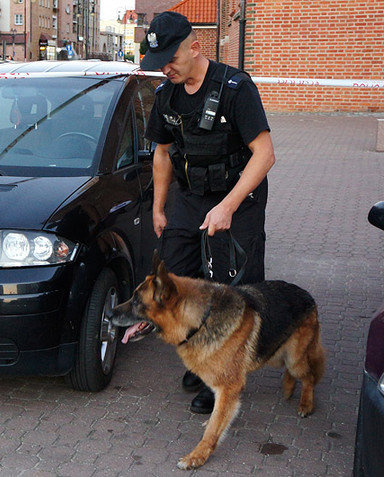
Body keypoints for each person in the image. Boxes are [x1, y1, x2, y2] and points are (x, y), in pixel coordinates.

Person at [141, 12, 276, 414]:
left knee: (233, 291)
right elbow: (162, 153)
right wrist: (159, 206)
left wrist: (228, 206)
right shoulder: (166, 95)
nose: (165, 69)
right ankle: (201, 360)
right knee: (178, 279)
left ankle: (223, 375)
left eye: (171, 59)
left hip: (238, 196)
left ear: (195, 47)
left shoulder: (236, 88)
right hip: (190, 196)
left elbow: (264, 155)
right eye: (158, 62)